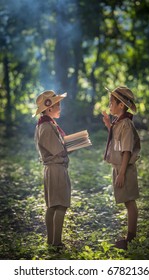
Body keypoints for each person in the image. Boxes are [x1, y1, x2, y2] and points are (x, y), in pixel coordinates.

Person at [102, 86, 141, 250]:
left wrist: (122, 173)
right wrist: (108, 125)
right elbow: (117, 140)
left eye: (112, 102)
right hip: (119, 168)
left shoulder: (126, 124)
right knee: (127, 201)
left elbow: (126, 151)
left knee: (130, 202)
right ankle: (130, 237)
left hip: (125, 169)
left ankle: (131, 238)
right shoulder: (119, 122)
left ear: (121, 105)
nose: (109, 104)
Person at [33, 90, 71, 248]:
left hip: (53, 168)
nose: (60, 108)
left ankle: (51, 241)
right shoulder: (46, 127)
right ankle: (56, 242)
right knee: (59, 205)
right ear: (49, 108)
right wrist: (73, 144)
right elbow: (58, 149)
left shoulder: (46, 124)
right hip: (55, 168)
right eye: (58, 105)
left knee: (52, 205)